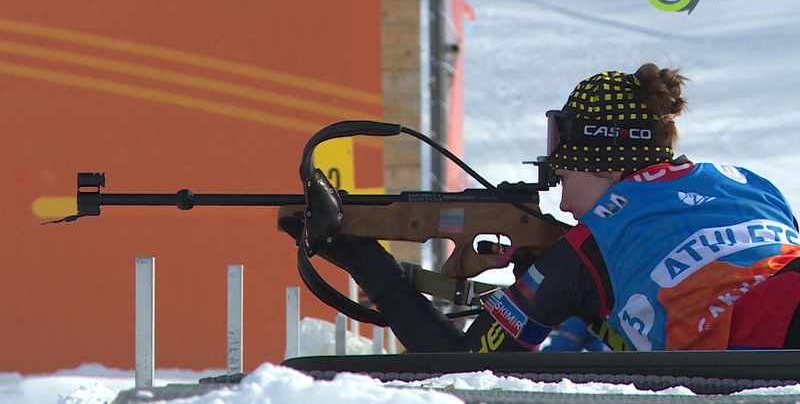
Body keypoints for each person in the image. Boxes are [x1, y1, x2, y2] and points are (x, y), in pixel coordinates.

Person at [279, 63, 800, 352]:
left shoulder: (596, 239)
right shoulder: (749, 183)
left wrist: (371, 266)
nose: (563, 199)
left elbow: (459, 369)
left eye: (565, 176)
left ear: (607, 166)